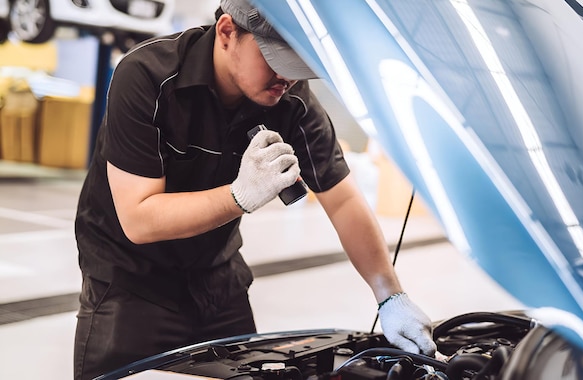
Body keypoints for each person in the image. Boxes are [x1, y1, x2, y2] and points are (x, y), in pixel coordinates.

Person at [73, 0, 437, 378]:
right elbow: (139, 219)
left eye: (298, 67)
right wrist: (239, 196)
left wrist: (390, 296)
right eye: (276, 60)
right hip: (130, 284)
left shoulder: (292, 102)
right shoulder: (147, 77)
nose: (288, 78)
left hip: (218, 281)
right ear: (228, 32)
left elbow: (343, 199)